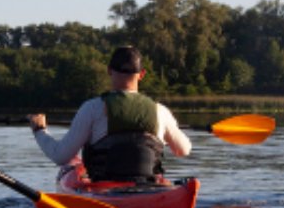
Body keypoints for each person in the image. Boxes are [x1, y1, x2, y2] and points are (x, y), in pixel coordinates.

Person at [27, 46, 191, 183]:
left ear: (109, 71)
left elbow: (60, 156)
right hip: (147, 189)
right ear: (142, 74)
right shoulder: (160, 111)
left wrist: (39, 130)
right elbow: (183, 150)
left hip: (104, 191)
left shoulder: (92, 108)